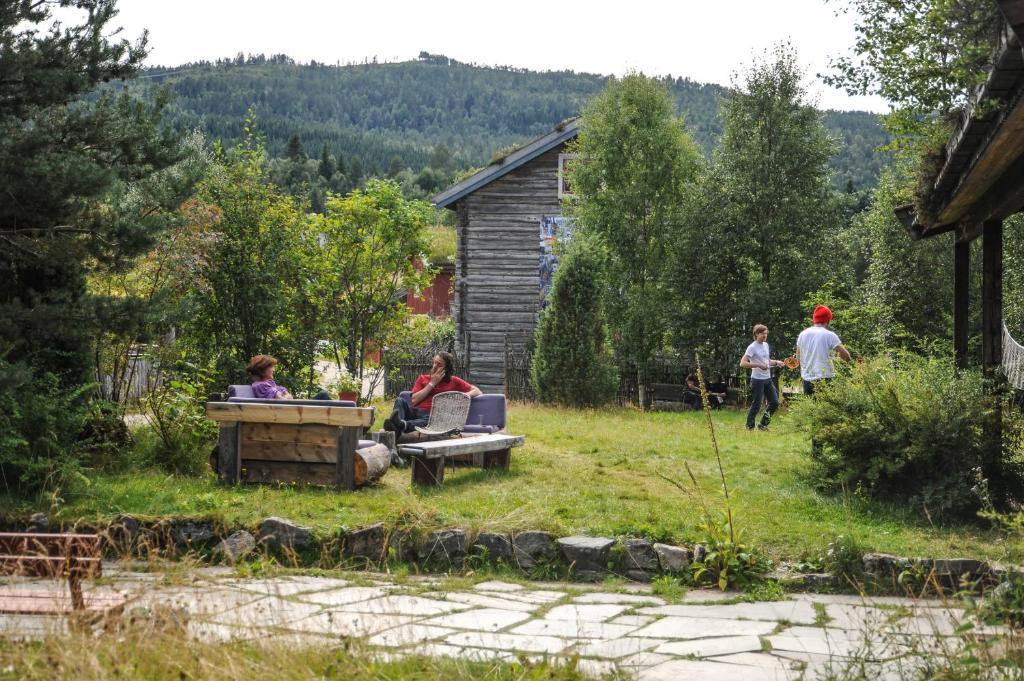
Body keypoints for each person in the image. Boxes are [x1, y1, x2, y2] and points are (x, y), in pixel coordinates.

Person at [384, 351, 481, 436]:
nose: (434, 366)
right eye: (434, 362)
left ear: (446, 369)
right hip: (414, 412)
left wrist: (464, 396)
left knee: (429, 420)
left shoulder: (453, 381)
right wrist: (432, 383)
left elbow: (477, 391)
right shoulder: (422, 378)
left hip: (432, 417)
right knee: (399, 401)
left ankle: (399, 425)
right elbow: (414, 400)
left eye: (439, 364)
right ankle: (399, 424)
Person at [795, 305, 852, 396]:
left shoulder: (803, 334)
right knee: (826, 409)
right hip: (825, 378)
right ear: (828, 320)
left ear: (814, 319)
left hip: (807, 378)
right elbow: (846, 356)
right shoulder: (829, 335)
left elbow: (798, 357)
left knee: (810, 409)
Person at [740, 324, 785, 430]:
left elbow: (767, 361)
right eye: (762, 334)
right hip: (757, 380)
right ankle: (749, 426)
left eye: (766, 333)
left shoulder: (766, 345)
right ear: (756, 334)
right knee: (757, 404)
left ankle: (763, 424)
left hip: (767, 379)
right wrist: (759, 365)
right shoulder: (752, 347)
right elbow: (742, 363)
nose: (765, 336)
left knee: (774, 402)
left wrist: (777, 362)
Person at [246, 354, 330, 400]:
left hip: (293, 411)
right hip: (292, 414)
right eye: (271, 367)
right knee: (323, 395)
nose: (273, 370)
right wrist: (285, 396)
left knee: (323, 395)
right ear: (262, 369)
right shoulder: (261, 386)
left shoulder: (268, 384)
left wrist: (286, 395)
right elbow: (283, 400)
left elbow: (287, 395)